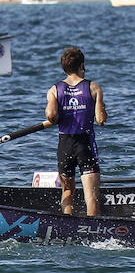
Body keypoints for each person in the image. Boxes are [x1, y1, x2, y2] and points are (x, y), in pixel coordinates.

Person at [45, 47, 107, 216]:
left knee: (67, 192)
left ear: (64, 68)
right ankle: (94, 234)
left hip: (64, 145)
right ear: (82, 65)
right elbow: (101, 120)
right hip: (84, 144)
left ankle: (67, 226)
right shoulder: (93, 88)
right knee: (92, 197)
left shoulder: (54, 90)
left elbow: (51, 116)